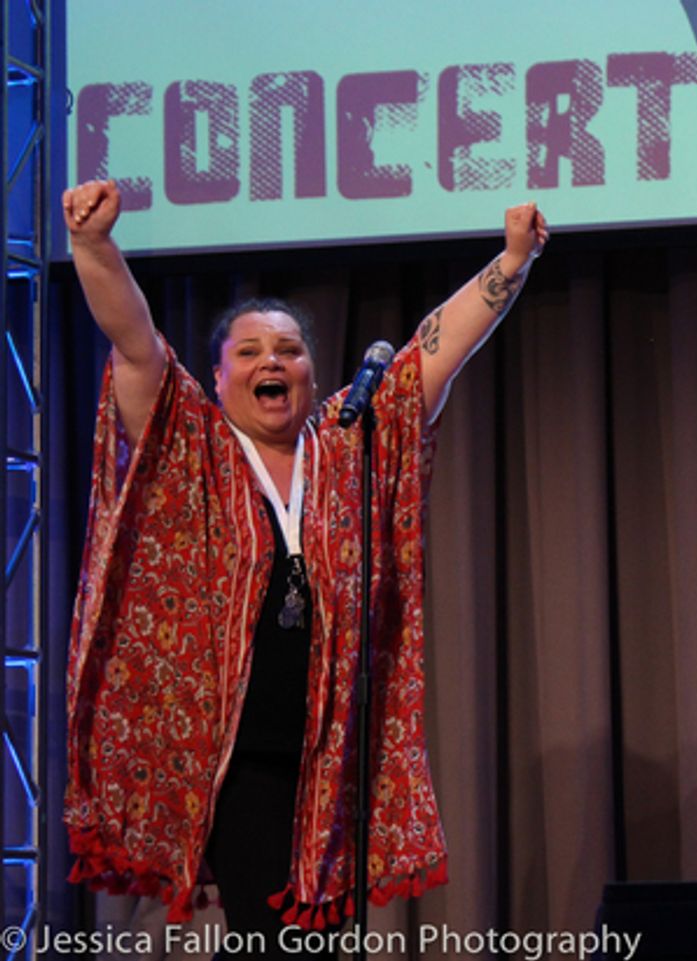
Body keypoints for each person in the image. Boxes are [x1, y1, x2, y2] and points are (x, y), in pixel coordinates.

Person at [61, 179, 547, 955]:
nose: (271, 361)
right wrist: (93, 246)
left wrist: (513, 261)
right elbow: (136, 343)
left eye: (288, 349)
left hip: (330, 767)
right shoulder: (197, 448)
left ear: (314, 378)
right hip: (238, 764)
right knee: (274, 939)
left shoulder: (350, 447)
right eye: (249, 351)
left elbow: (434, 350)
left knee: (318, 945)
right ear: (219, 380)